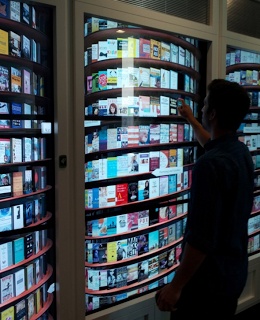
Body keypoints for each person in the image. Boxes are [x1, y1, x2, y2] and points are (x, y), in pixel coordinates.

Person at [155, 79, 254, 318]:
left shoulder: (208, 166)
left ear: (213, 113)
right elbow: (211, 144)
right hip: (232, 273)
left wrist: (176, 287)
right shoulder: (240, 152)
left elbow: (201, 239)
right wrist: (189, 118)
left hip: (206, 284)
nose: (201, 108)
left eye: (205, 104)